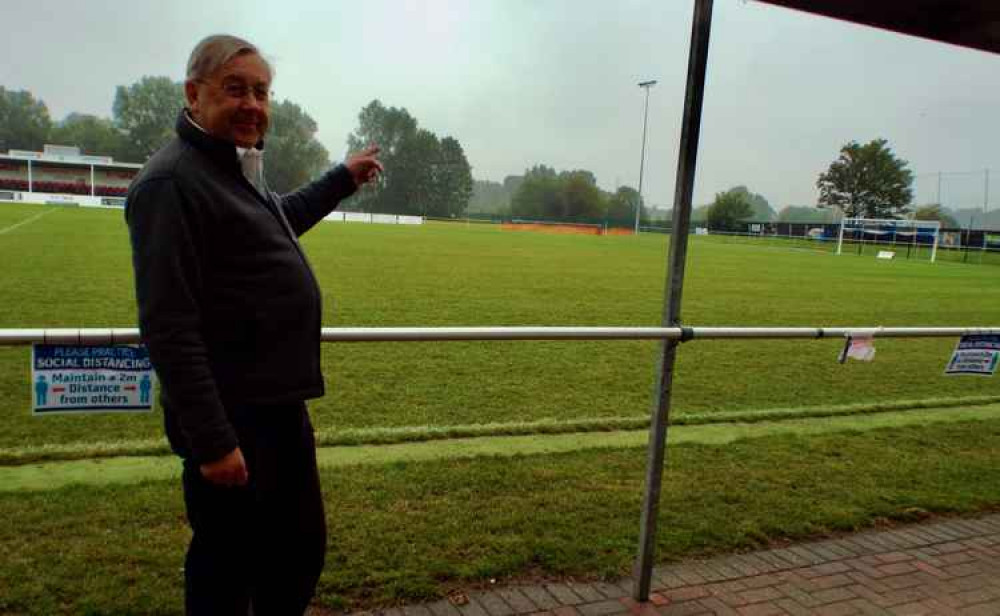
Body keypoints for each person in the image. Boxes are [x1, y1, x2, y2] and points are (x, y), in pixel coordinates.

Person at [125, 34, 382, 615]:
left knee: (295, 552)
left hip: (276, 408)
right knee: (228, 567)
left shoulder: (233, 167)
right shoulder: (172, 182)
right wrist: (214, 442)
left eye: (261, 92)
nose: (252, 105)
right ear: (194, 94)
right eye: (235, 89)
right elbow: (168, 325)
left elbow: (276, 221)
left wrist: (341, 178)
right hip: (233, 418)